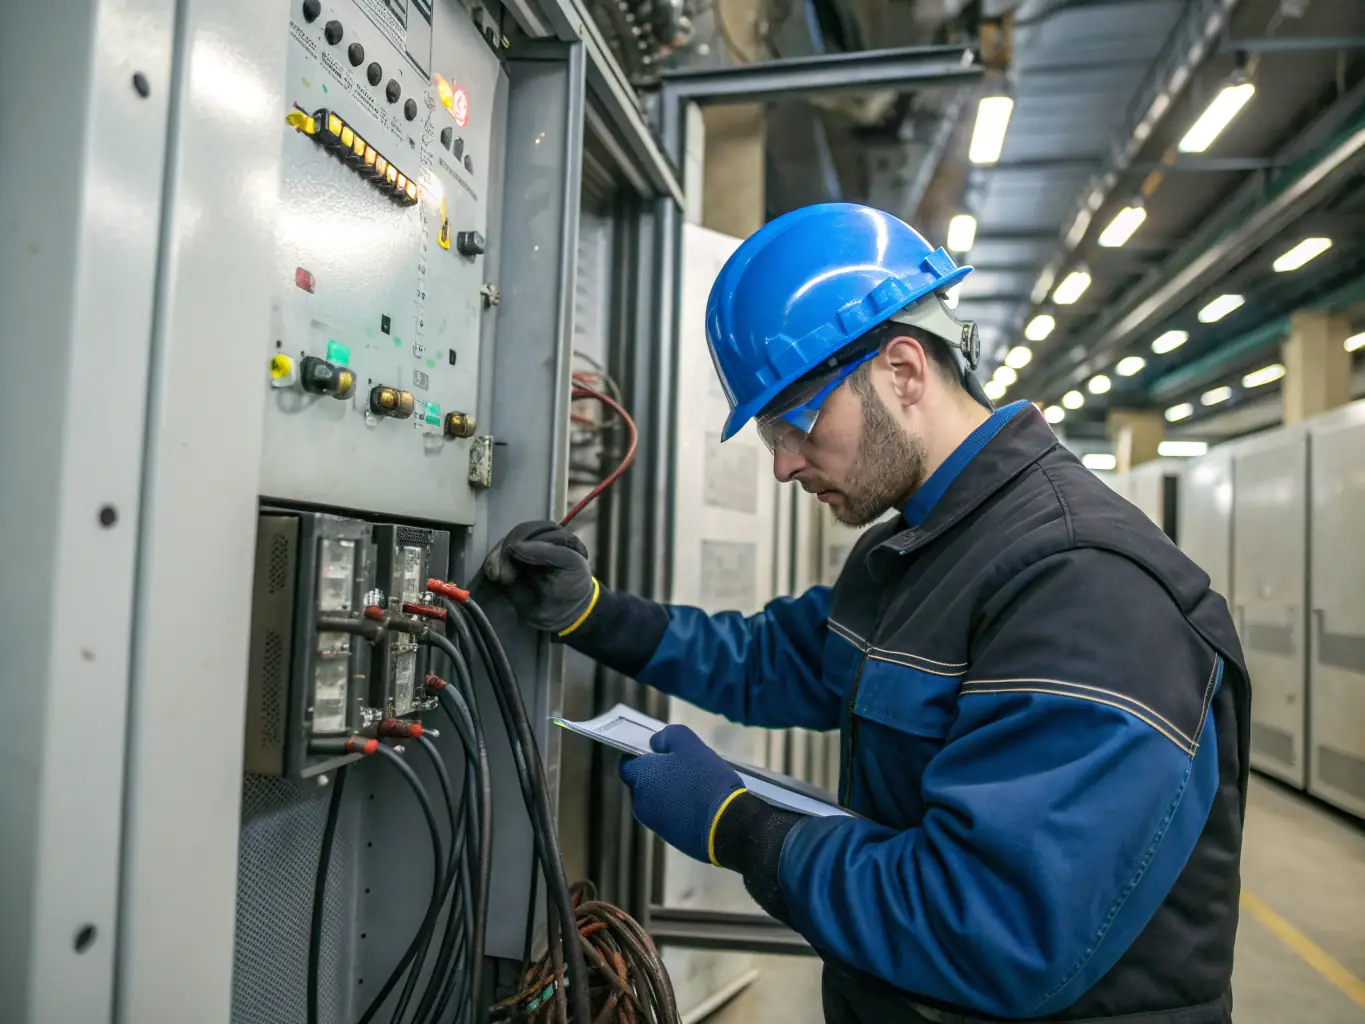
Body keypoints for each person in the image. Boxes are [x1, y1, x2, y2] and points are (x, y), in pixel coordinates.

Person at [483, 203, 1251, 1024]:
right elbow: (768, 661)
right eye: (769, 434)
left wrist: (743, 830)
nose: (782, 466)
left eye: (796, 421)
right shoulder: (922, 549)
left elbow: (991, 927)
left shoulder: (1083, 584)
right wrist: (589, 612)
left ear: (903, 371)